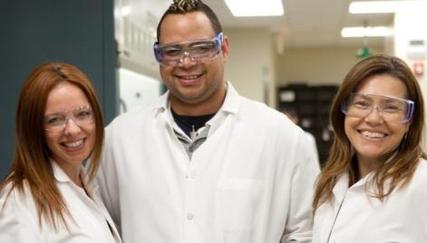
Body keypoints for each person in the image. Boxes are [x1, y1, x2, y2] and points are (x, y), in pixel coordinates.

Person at [97, 0, 319, 242]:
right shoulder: (119, 139)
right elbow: (103, 226)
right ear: (159, 56)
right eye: (172, 51)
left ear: (223, 49)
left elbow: (304, 233)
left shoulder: (283, 137)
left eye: (201, 48)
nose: (186, 62)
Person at [312, 54, 427, 243]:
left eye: (390, 107)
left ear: (410, 120)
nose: (373, 119)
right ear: (342, 111)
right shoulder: (330, 182)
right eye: (362, 104)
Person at [0, 63, 122, 243]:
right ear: (34, 128)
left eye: (82, 114)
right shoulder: (20, 201)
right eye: (55, 120)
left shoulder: (86, 185)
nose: (72, 130)